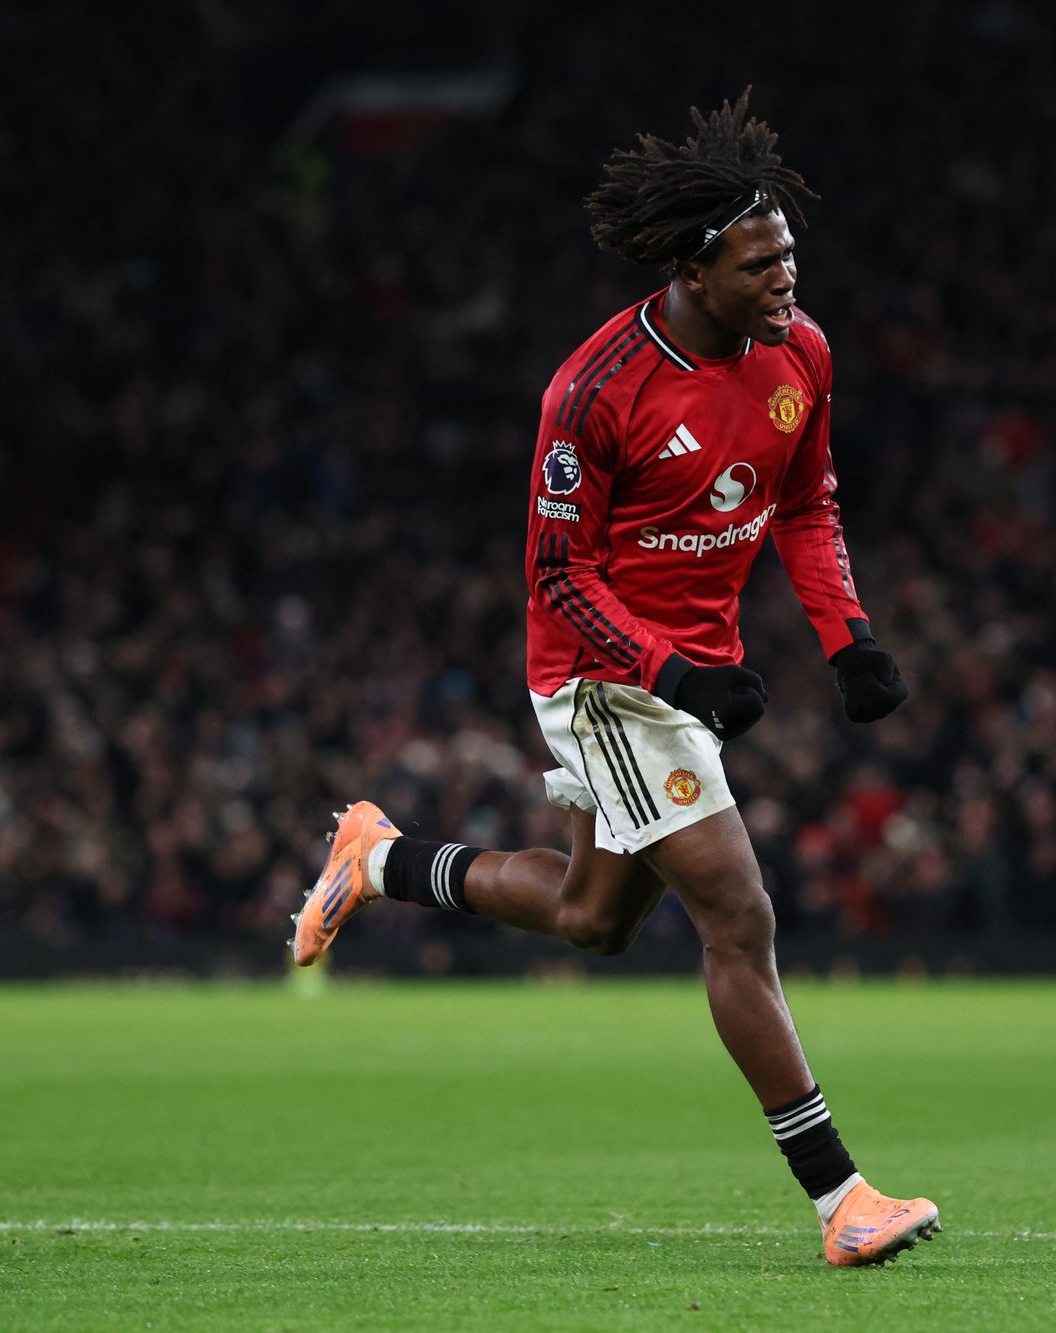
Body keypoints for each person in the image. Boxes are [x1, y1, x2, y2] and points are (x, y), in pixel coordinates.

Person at [291, 92, 937, 1267]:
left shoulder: (803, 351)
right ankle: (839, 1197)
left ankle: (380, 859)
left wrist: (847, 640)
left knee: (594, 918)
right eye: (761, 262)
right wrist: (670, 674)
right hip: (602, 674)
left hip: (689, 673)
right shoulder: (592, 391)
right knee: (738, 917)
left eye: (791, 253)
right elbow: (558, 571)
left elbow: (804, 501)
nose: (787, 278)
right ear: (694, 269)